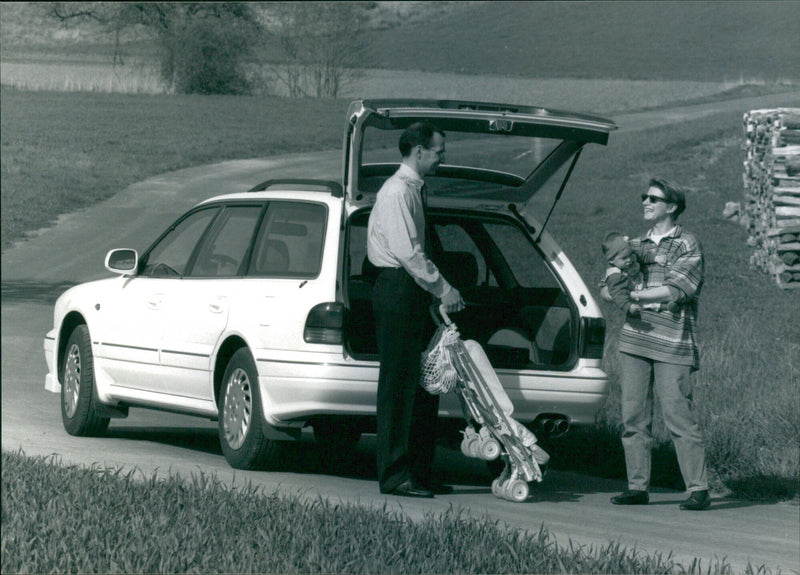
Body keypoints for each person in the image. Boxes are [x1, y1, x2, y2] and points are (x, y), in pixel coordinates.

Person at [367, 121, 466, 498]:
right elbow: (409, 252)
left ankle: (419, 471)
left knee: (425, 383)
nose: (443, 158)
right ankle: (395, 474)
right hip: (397, 288)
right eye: (440, 151)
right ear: (419, 151)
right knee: (399, 384)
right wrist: (443, 288)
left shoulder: (412, 191)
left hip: (411, 291)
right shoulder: (396, 193)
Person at [610, 178, 711, 511]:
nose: (645, 202)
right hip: (635, 340)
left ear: (672, 206)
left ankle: (698, 489)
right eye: (644, 197)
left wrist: (634, 294)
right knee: (633, 418)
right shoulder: (633, 244)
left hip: (673, 343)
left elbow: (678, 289)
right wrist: (616, 289)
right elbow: (608, 284)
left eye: (653, 198)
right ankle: (637, 487)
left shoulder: (687, 244)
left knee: (679, 416)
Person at [600, 231, 675, 316]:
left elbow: (641, 256)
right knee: (646, 304)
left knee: (652, 293)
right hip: (632, 293)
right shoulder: (615, 276)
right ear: (611, 260)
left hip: (640, 283)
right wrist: (628, 307)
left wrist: (655, 258)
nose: (629, 259)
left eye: (630, 254)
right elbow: (618, 295)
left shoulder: (631, 256)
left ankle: (668, 304)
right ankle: (665, 307)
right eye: (624, 258)